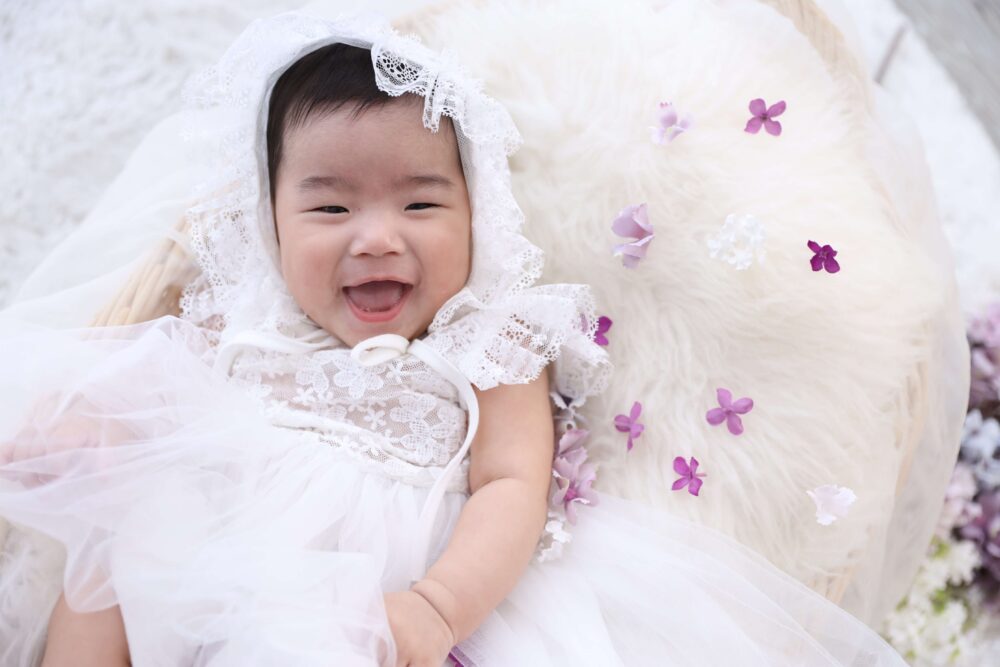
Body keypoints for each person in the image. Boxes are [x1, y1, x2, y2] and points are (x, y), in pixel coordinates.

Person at [0, 11, 908, 666]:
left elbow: (512, 485)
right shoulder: (245, 320)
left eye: (421, 202)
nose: (376, 237)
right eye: (330, 208)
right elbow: (150, 394)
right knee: (117, 540)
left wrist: (438, 604)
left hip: (378, 613)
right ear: (270, 222)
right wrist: (88, 432)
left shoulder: (489, 340)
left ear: (480, 212)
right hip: (211, 563)